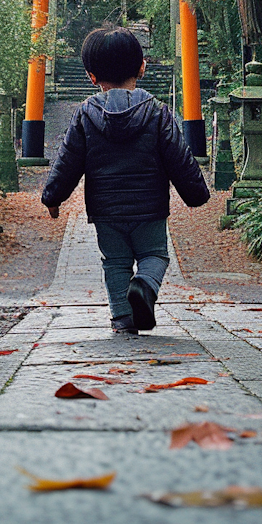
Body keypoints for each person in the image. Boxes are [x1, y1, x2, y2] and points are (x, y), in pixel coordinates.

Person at [40, 26, 210, 333]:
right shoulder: (157, 112)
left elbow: (68, 160)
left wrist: (53, 198)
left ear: (92, 76)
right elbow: (179, 157)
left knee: (115, 261)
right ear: (142, 67)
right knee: (154, 255)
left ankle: (122, 316)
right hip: (150, 208)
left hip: (106, 211)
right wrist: (195, 193)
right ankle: (144, 286)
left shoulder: (84, 114)